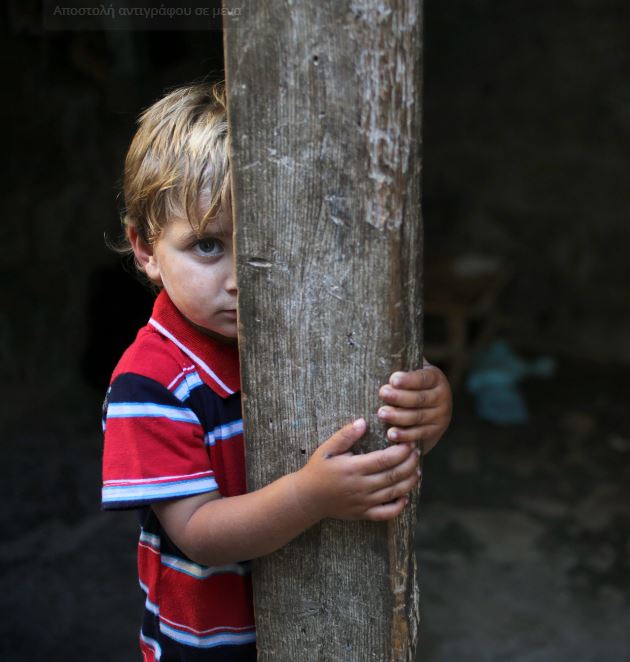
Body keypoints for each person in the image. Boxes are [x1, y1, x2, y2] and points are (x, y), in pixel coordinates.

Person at [101, 81, 453, 661]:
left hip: (324, 627)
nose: (244, 277)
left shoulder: (319, 330)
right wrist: (310, 497)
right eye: (208, 246)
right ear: (145, 250)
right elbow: (198, 534)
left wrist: (428, 411)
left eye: (265, 244)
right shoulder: (149, 383)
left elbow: (380, 442)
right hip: (212, 648)